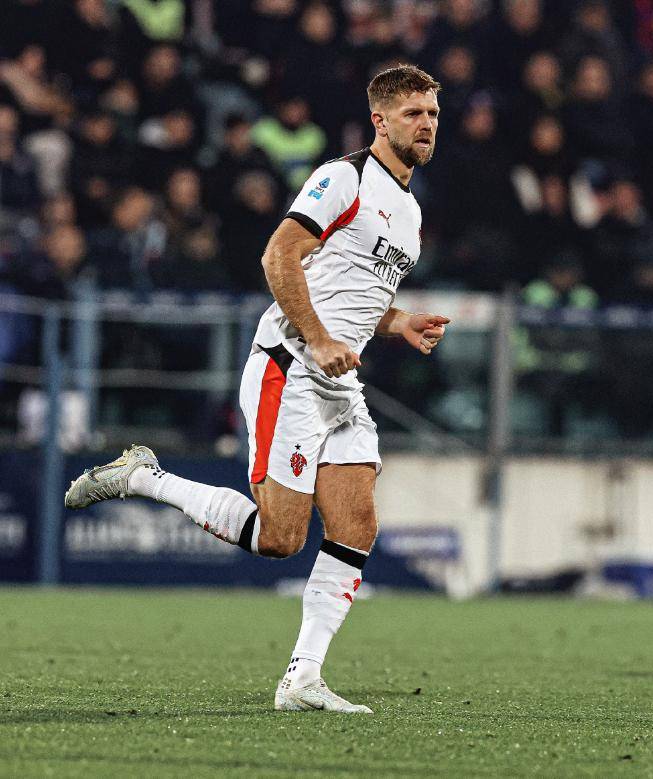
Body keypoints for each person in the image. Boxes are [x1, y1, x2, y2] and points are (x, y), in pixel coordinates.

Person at [64, 64, 450, 714]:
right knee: (280, 538)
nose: (427, 125)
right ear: (380, 121)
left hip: (339, 381)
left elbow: (349, 286)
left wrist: (398, 321)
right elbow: (279, 255)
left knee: (356, 523)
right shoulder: (343, 178)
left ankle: (303, 678)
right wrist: (318, 338)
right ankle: (143, 478)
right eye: (413, 113)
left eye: (433, 114)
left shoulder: (409, 210)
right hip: (290, 365)